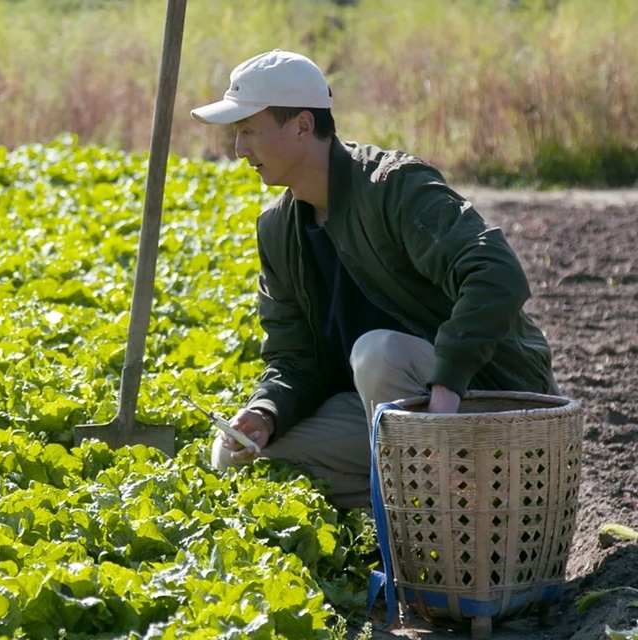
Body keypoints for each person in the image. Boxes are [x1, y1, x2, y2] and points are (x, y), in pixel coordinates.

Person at [190, 50, 559, 509]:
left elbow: (497, 274)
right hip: (388, 415)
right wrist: (266, 412)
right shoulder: (278, 229)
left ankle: (458, 507)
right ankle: (413, 507)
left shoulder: (394, 187)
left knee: (378, 354)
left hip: (481, 395)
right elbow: (295, 357)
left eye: (248, 130)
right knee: (234, 457)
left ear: (302, 126)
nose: (239, 149)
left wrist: (446, 387)